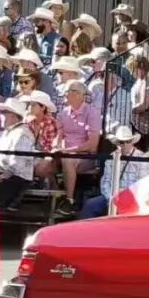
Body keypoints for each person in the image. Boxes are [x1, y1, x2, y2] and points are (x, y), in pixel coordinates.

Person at [78, 125, 149, 219]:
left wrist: (126, 199)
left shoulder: (142, 158)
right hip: (112, 196)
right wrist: (111, 198)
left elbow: (142, 184)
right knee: (90, 205)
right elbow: (105, 181)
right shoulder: (111, 157)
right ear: (117, 143)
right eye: (121, 142)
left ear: (132, 142)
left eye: (127, 141)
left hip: (133, 198)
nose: (124, 144)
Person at [55, 79, 100, 212]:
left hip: (85, 157)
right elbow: (59, 136)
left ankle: (69, 201)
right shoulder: (62, 113)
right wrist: (55, 146)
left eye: (66, 92)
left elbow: (92, 145)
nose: (64, 95)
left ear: (77, 94)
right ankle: (54, 194)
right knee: (45, 163)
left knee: (68, 160)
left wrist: (66, 150)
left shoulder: (92, 113)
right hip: (65, 153)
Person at [127, 55, 149, 138]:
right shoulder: (141, 80)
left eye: (133, 70)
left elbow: (144, 105)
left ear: (141, 67)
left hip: (148, 126)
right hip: (139, 124)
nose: (131, 73)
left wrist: (127, 111)